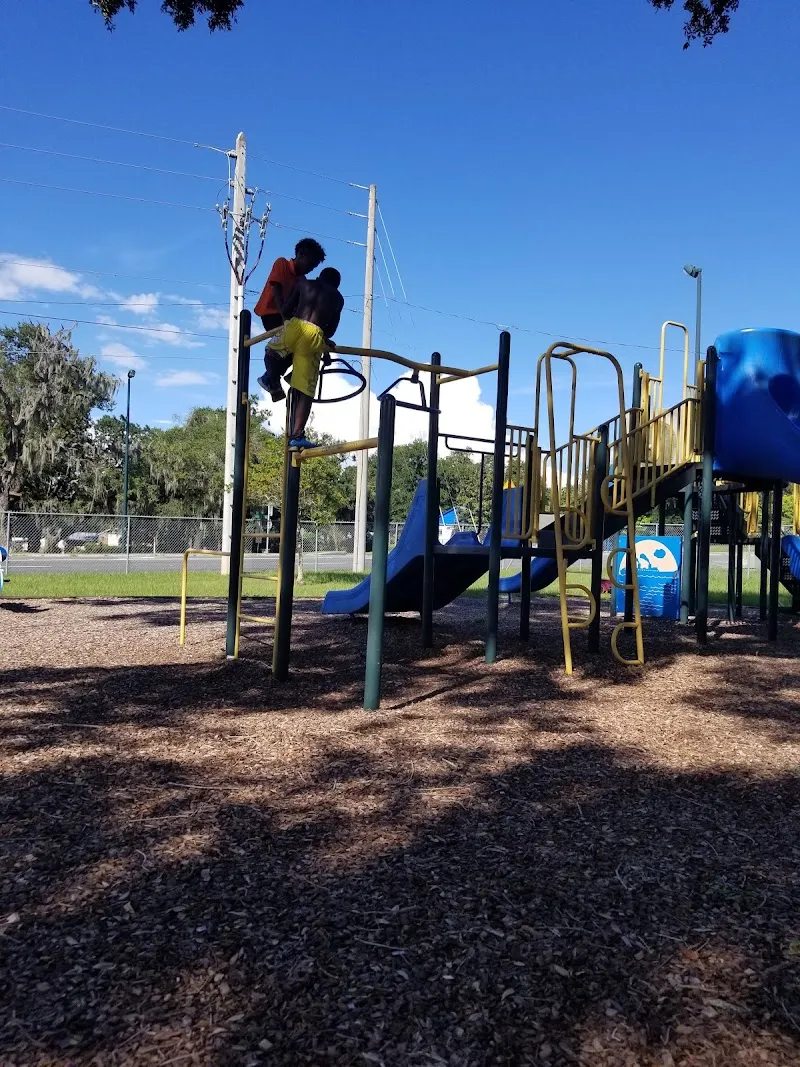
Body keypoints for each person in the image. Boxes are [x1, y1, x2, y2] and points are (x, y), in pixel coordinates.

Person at [265, 266, 344, 449]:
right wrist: (324, 342)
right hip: (314, 335)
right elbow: (331, 330)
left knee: (270, 352)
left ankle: (272, 380)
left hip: (294, 326)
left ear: (320, 277)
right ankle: (297, 435)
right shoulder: (338, 298)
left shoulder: (305, 284)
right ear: (336, 285)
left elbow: (286, 309)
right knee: (305, 391)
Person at [254, 237, 326, 399]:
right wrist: (285, 317)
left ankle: (275, 377)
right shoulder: (282, 264)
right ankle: (271, 378)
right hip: (272, 313)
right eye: (310, 264)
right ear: (300, 255)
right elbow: (277, 291)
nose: (310, 269)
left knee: (304, 343)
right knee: (288, 344)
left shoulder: (303, 281)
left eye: (314, 267)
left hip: (289, 319)